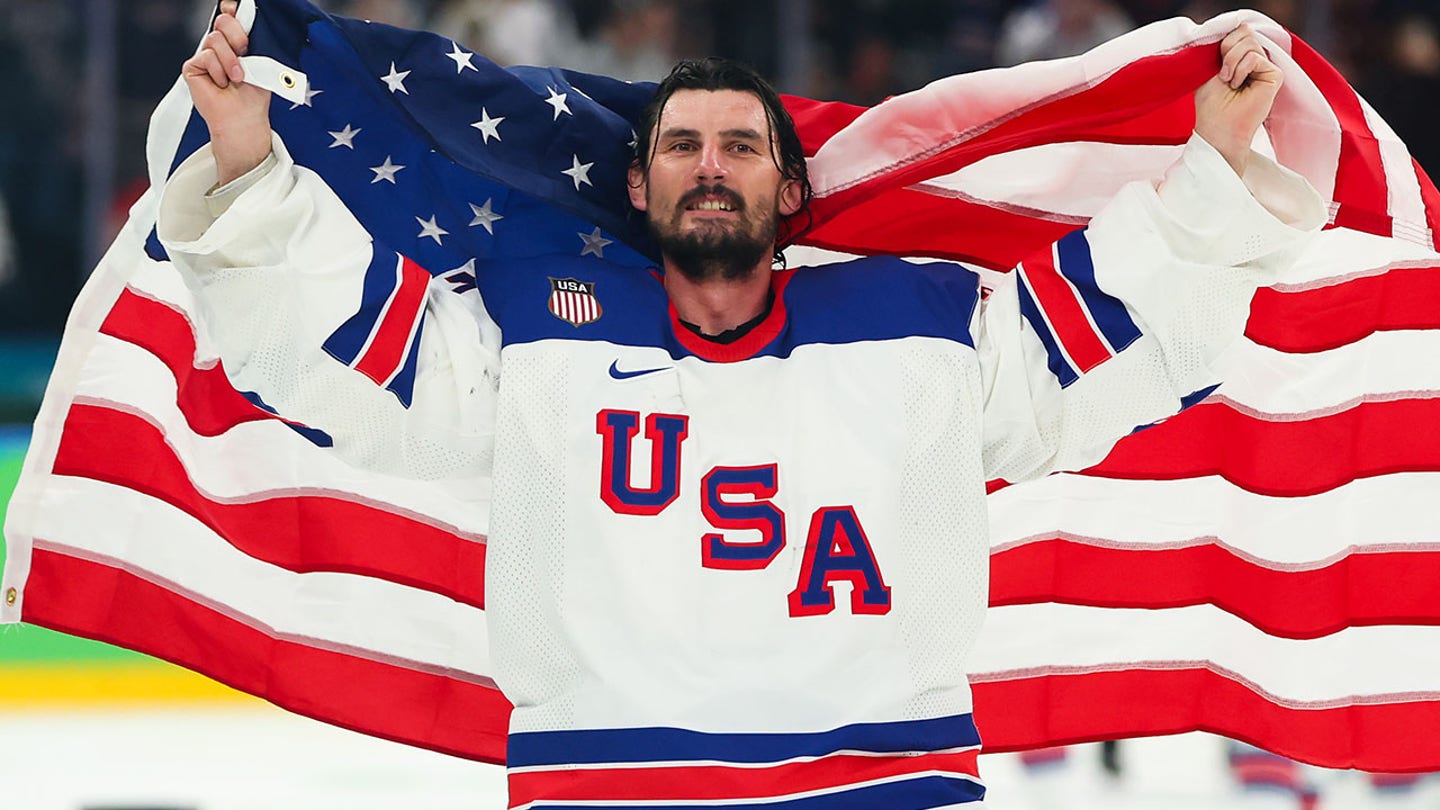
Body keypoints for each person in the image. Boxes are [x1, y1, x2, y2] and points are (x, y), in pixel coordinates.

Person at [172, 2, 1324, 805]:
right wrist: (246, 162)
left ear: (789, 184)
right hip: (606, 789)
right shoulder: (534, 329)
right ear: (638, 184)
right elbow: (355, 356)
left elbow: (1105, 331)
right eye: (681, 145)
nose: (711, 164)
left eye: (740, 144)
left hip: (884, 785)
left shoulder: (920, 325)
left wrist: (1216, 167)